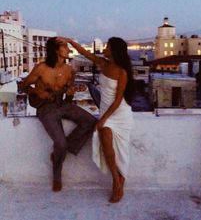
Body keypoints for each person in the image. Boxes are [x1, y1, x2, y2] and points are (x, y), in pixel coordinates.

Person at [58, 37, 135, 202]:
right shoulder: (104, 64)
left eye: (108, 46)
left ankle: (119, 181)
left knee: (113, 142)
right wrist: (70, 41)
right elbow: (84, 52)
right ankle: (117, 179)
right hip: (106, 112)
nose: (105, 48)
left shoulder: (122, 72)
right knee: (105, 138)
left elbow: (117, 100)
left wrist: (102, 119)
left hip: (120, 113)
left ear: (114, 50)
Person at [19, 37, 96, 192]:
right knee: (60, 143)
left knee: (90, 120)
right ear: (56, 50)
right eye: (65, 47)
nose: (68, 50)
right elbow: (23, 86)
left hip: (62, 105)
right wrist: (37, 92)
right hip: (45, 109)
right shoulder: (41, 68)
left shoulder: (69, 71)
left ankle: (67, 148)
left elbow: (68, 98)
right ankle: (57, 175)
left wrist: (70, 93)